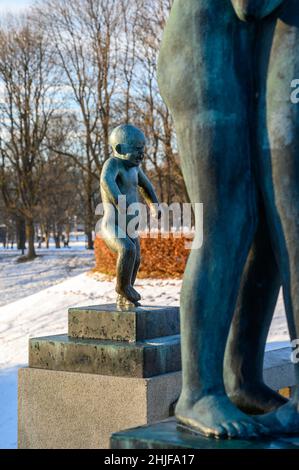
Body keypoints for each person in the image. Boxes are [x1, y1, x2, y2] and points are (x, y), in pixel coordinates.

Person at [158, 0, 298, 439]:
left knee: (263, 228)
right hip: (204, 59)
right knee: (224, 222)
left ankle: (241, 378)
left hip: (229, 59)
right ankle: (198, 391)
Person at [100, 124, 160, 306]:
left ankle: (125, 294)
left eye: (143, 149)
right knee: (127, 250)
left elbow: (147, 187)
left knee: (136, 259)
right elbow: (106, 180)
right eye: (136, 150)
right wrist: (119, 200)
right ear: (119, 149)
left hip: (130, 226)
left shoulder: (135, 169)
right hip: (112, 225)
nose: (141, 154)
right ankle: (122, 287)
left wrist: (154, 205)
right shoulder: (113, 164)